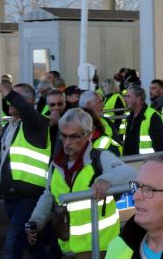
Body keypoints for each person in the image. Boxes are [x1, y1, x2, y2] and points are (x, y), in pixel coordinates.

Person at [27, 109, 137, 257]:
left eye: (73, 137)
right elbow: (49, 195)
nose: (67, 142)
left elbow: (130, 173)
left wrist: (105, 181)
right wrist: (36, 221)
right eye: (63, 136)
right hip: (68, 247)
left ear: (89, 134)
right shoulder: (56, 164)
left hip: (99, 246)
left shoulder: (100, 157)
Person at [0, 70, 51, 259]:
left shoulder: (35, 123)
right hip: (11, 195)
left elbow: (23, 108)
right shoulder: (11, 124)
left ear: (27, 102)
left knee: (13, 244)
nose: (9, 101)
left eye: (14, 98)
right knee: (31, 243)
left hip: (30, 195)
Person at [122, 85, 163, 155]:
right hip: (130, 162)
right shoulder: (130, 117)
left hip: (147, 163)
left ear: (138, 98)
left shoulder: (153, 116)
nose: (125, 100)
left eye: (129, 96)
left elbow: (160, 147)